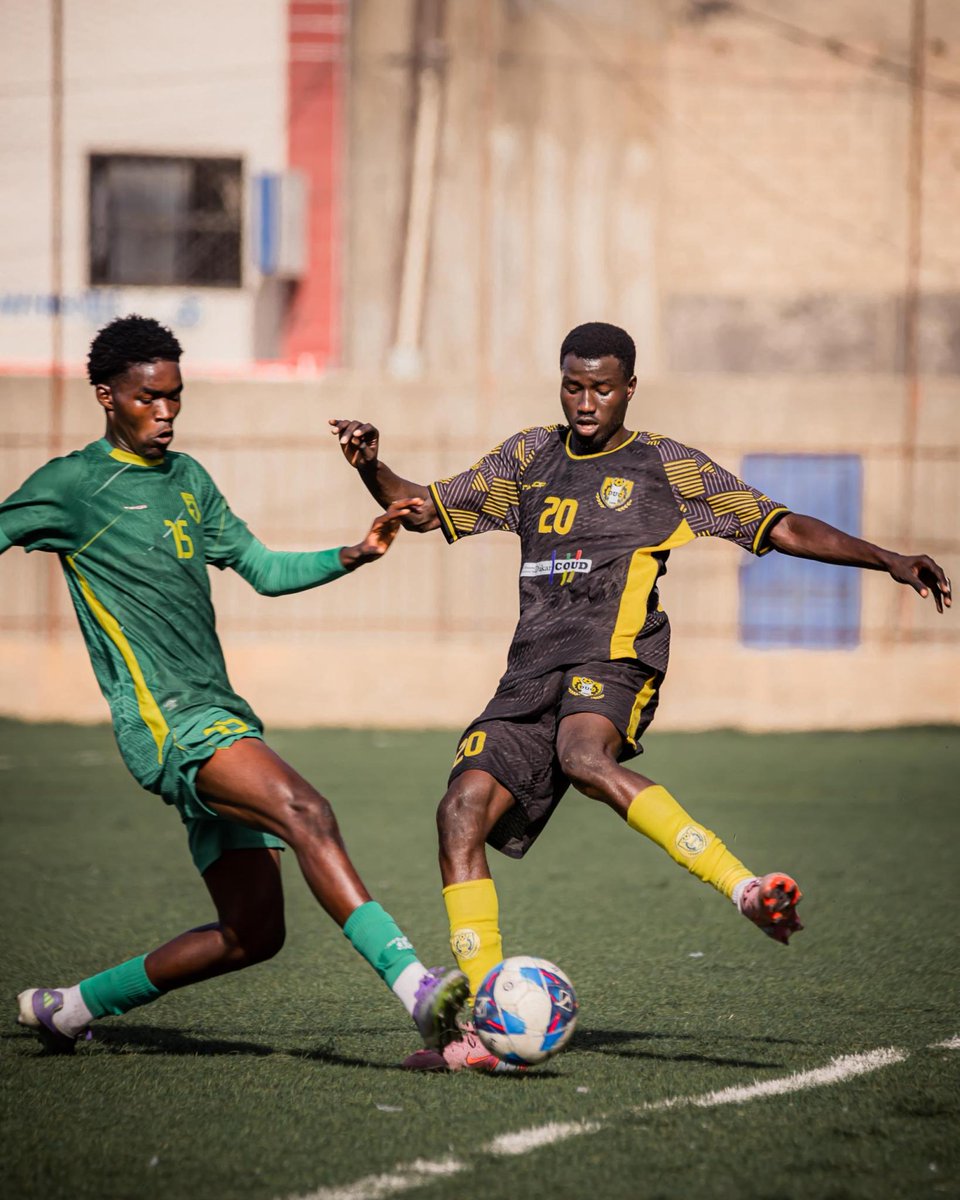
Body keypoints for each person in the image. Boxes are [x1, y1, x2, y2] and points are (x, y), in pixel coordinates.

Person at [331, 320, 952, 1073]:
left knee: (582, 755)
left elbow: (777, 524)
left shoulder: (667, 467)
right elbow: (421, 507)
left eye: (600, 387)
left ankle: (745, 888)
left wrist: (887, 559)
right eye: (572, 385)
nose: (585, 401)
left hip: (615, 658)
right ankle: (485, 1032)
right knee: (459, 808)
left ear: (629, 388)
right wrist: (372, 467)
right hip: (530, 671)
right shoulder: (529, 455)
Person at [3, 314, 468, 1056]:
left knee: (254, 934)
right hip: (169, 726)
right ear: (105, 396)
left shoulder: (188, 480)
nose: (165, 413)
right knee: (307, 811)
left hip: (220, 713)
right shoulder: (73, 486)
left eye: (175, 397)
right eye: (147, 398)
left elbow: (261, 567)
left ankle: (71, 1006)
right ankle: (412, 984)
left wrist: (351, 554)